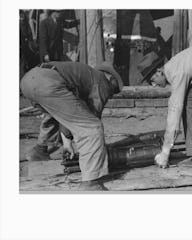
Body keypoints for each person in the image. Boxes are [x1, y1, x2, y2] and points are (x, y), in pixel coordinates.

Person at [20, 61, 123, 190]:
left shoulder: (84, 74)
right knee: (91, 126)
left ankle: (40, 150)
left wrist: (67, 143)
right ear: (110, 77)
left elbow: (68, 115)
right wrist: (96, 147)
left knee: (55, 113)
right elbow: (92, 115)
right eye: (114, 89)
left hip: (29, 79)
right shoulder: (101, 81)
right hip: (49, 83)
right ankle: (91, 182)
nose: (111, 93)